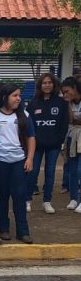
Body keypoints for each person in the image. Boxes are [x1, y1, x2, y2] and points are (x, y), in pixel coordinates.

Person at [0, 83, 35, 243]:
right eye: (15, 95)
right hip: (0, 161)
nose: (19, 98)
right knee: (2, 196)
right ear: (5, 97)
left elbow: (31, 137)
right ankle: (3, 229)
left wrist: (30, 158)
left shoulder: (24, 115)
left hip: (19, 161)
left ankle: (23, 231)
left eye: (19, 95)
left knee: (19, 196)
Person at [26, 73, 68, 214]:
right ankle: (27, 200)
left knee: (50, 173)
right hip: (36, 146)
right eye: (44, 83)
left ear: (54, 85)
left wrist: (59, 140)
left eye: (50, 82)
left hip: (53, 146)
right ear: (40, 85)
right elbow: (28, 125)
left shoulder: (61, 103)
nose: (47, 85)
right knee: (32, 172)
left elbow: (64, 124)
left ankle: (47, 201)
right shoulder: (33, 103)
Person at [61, 77, 81, 212]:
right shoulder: (68, 103)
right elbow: (70, 120)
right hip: (72, 136)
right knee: (72, 169)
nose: (65, 95)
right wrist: (67, 104)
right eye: (63, 92)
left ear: (75, 88)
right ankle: (74, 198)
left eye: (67, 91)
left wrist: (76, 121)